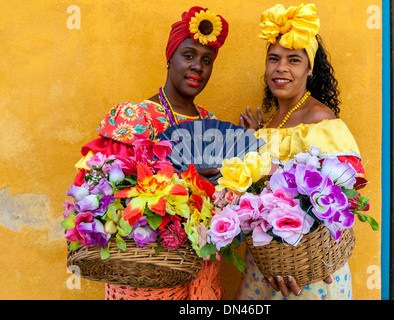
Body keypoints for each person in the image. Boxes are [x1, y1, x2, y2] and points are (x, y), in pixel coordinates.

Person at [72, 6, 229, 300]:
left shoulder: (212, 125)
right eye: (188, 56)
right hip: (144, 270)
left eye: (206, 61)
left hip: (200, 268)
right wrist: (180, 179)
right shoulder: (135, 117)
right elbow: (104, 190)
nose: (198, 66)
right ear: (169, 59)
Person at [237, 3, 367, 300]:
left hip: (308, 277)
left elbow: (344, 199)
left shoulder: (320, 120)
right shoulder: (268, 126)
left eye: (293, 60)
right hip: (264, 273)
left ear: (310, 69)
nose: (280, 68)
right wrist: (248, 145)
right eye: (274, 59)